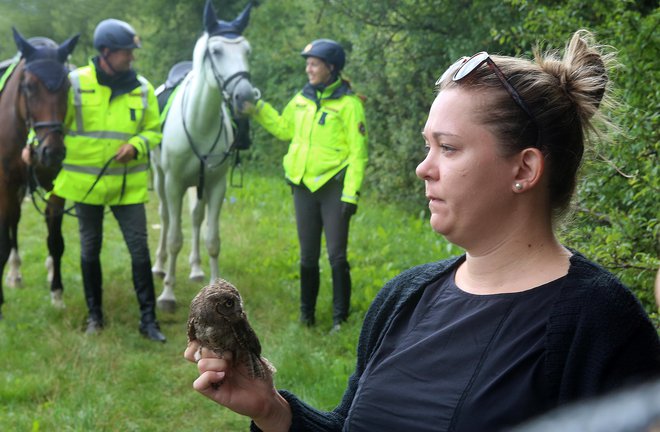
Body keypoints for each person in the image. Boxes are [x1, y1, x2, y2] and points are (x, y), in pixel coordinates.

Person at [184, 29, 660, 430]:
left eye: (448, 148)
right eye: (427, 146)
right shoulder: (404, 297)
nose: (422, 168)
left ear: (525, 168)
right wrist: (275, 411)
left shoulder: (599, 324)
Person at [52, 19, 165, 342]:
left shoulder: (142, 88)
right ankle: (95, 317)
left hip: (127, 188)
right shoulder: (73, 83)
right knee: (90, 250)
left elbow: (153, 130)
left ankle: (148, 320)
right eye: (125, 52)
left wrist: (137, 145)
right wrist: (33, 143)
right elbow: (49, 119)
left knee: (140, 252)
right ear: (105, 52)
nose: (131, 57)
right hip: (85, 186)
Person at [246, 39, 368, 331]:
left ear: (331, 67)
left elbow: (358, 154)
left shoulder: (349, 105)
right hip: (301, 186)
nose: (308, 69)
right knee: (307, 255)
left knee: (337, 254)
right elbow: (283, 129)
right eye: (307, 63)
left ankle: (340, 318)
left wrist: (350, 195)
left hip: (333, 188)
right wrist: (257, 107)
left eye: (314, 64)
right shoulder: (300, 99)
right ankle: (306, 316)